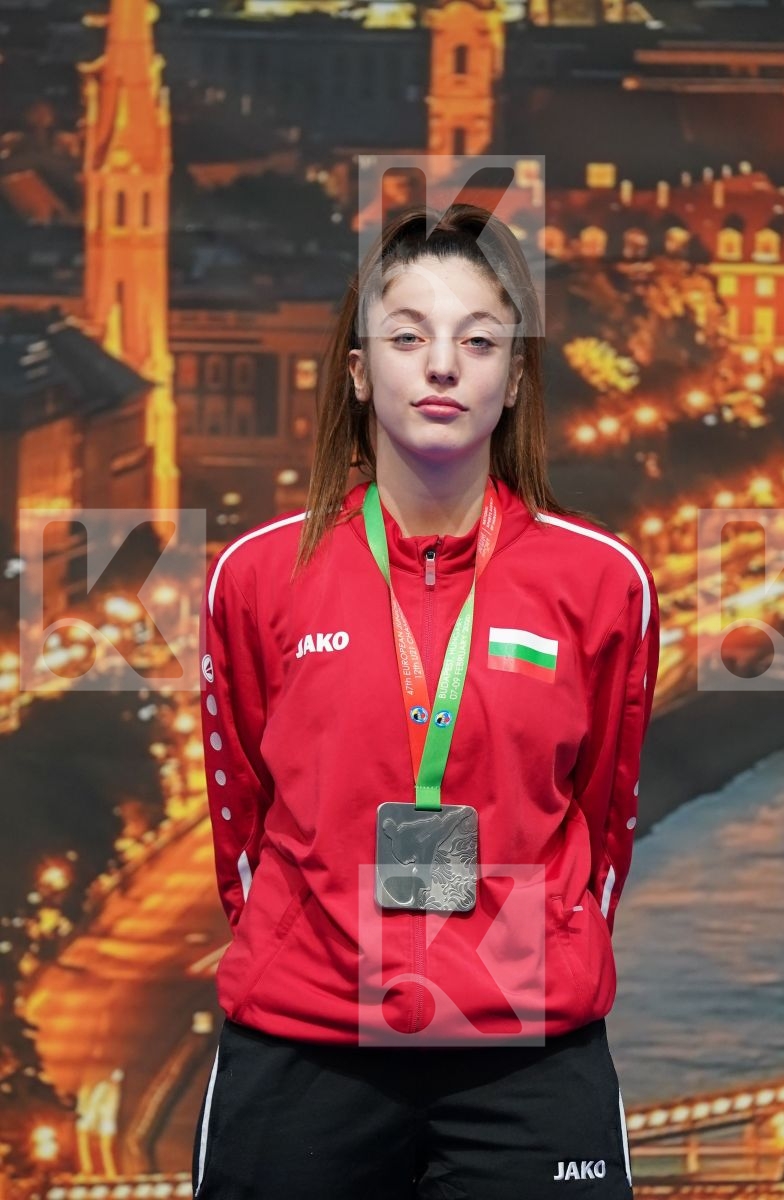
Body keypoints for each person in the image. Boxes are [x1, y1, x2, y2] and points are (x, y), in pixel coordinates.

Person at [192, 202, 660, 1199]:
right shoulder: (258, 576)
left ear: (514, 376)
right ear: (359, 372)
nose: (441, 366)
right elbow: (240, 815)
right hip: (304, 1046)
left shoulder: (601, 582)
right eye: (407, 336)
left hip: (527, 1049)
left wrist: (544, 953)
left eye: (477, 340)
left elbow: (605, 821)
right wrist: (303, 947)